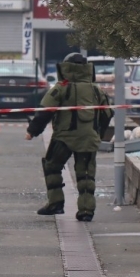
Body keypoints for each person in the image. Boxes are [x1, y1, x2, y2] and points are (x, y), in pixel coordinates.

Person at [25, 52, 113, 222]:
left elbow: (45, 111)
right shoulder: (96, 89)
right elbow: (107, 113)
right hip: (88, 138)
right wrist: (98, 134)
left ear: (65, 67)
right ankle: (86, 211)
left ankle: (56, 203)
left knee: (52, 166)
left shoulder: (61, 87)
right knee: (86, 174)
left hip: (64, 138)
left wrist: (32, 131)